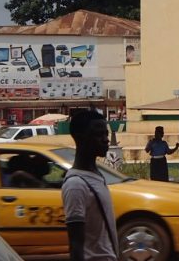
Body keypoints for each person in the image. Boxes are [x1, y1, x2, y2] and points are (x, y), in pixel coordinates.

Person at [61, 110, 118, 261]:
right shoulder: (76, 185)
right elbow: (76, 245)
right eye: (99, 135)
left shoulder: (96, 175)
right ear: (81, 137)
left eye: (106, 134)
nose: (106, 139)